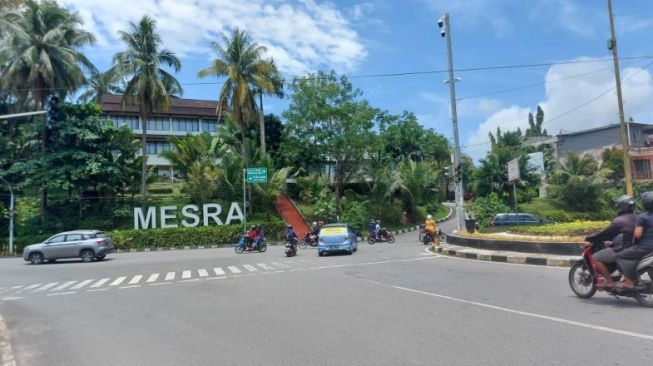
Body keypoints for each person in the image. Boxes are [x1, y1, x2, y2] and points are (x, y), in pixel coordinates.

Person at [585, 195, 636, 288]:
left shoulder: (619, 221)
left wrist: (590, 237)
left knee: (595, 258)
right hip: (634, 248)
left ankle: (609, 281)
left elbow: (605, 234)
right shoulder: (638, 218)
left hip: (621, 249)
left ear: (621, 206)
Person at [616, 191, 653, 288]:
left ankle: (628, 281)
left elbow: (637, 235)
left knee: (619, 256)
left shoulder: (643, 217)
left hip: (645, 247)